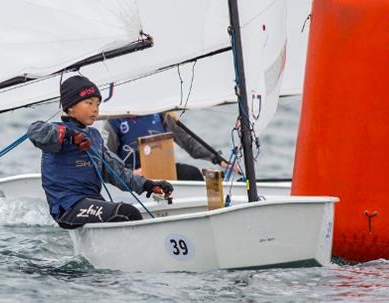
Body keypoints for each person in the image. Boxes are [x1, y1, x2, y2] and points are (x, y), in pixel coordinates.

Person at [27, 75, 173, 229]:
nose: (95, 109)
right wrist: (68, 135)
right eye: (88, 103)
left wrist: (149, 185)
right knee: (127, 213)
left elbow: (118, 172)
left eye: (97, 103)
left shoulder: (94, 137)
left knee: (130, 213)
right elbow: (34, 131)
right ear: (70, 107)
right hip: (67, 206)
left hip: (91, 201)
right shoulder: (55, 132)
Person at [101, 113, 240, 181]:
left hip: (163, 170)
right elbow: (106, 160)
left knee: (191, 173)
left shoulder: (161, 115)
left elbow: (188, 142)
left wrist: (217, 159)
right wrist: (130, 174)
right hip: (134, 178)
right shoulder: (114, 122)